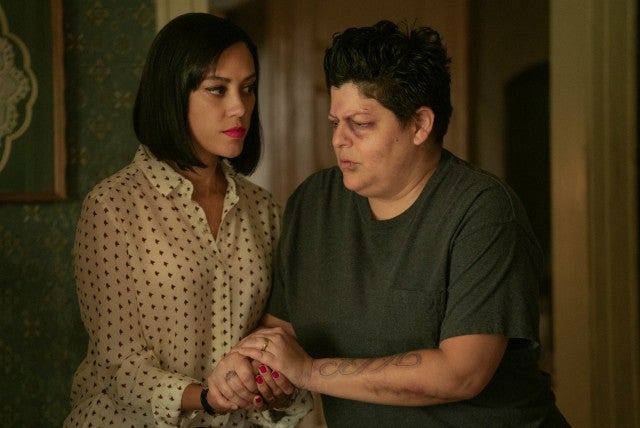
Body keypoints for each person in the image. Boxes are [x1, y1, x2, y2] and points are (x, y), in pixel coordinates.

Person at [232, 20, 570, 427]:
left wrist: (309, 372)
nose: (339, 140)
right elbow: (281, 333)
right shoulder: (313, 203)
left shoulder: (483, 211)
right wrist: (258, 371)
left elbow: (461, 373)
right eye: (335, 123)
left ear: (420, 125)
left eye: (360, 124)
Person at [64, 13, 311, 428]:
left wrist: (273, 384)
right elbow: (117, 367)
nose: (240, 107)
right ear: (173, 94)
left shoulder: (263, 208)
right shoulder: (113, 207)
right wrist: (207, 397)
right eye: (218, 89)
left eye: (248, 88)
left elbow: (272, 338)